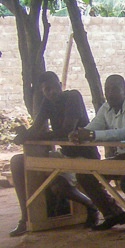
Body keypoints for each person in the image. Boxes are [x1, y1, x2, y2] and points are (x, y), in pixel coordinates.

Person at [8, 72, 98, 237]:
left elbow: (66, 131)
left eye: (54, 87)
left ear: (60, 84)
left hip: (84, 156)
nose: (51, 92)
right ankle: (25, 218)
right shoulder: (47, 102)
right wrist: (24, 135)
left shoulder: (73, 97)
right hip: (65, 156)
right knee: (17, 162)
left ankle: (91, 205)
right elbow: (36, 128)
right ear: (43, 92)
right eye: (46, 90)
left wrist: (31, 135)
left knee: (58, 186)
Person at [68, 74, 125, 231]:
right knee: (85, 176)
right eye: (107, 90)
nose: (110, 94)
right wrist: (79, 134)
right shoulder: (105, 108)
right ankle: (113, 213)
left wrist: (92, 136)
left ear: (124, 90)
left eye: (115, 89)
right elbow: (93, 127)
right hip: (121, 157)